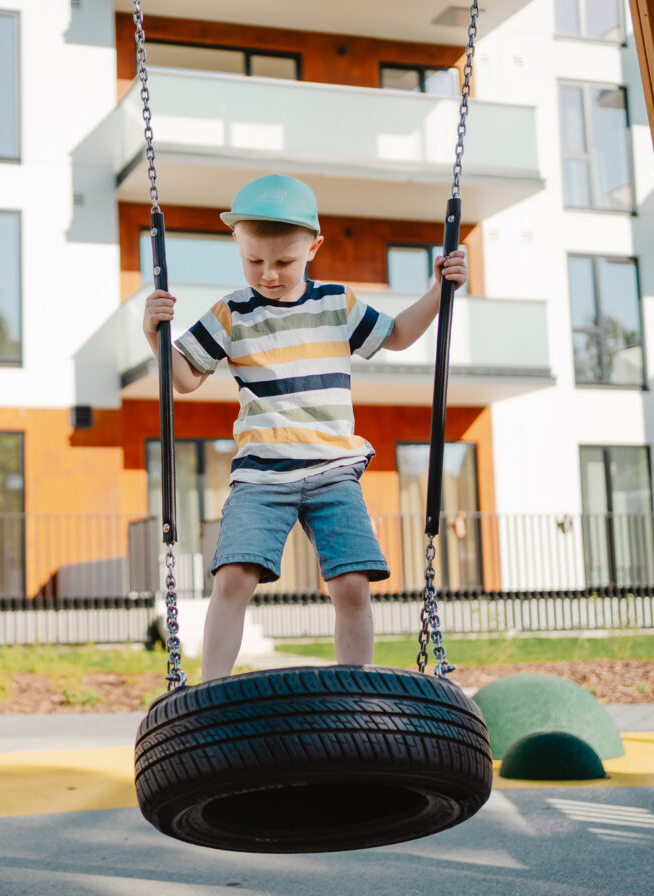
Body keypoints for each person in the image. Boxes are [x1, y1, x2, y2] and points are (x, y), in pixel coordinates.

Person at [142, 174, 468, 681]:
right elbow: (184, 379)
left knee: (352, 585)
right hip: (260, 475)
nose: (268, 274)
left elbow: (399, 335)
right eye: (254, 261)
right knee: (232, 577)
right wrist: (155, 335)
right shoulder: (232, 313)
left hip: (333, 470)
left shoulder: (337, 303)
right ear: (237, 247)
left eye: (283, 262)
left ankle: (354, 691)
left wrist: (438, 290)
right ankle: (210, 692)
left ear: (313, 249)